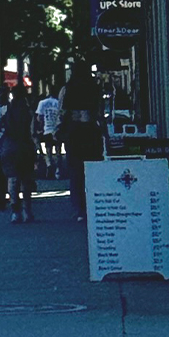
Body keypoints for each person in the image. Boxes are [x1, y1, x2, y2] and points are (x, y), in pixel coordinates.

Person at [59, 63, 105, 220]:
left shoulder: (68, 88)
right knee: (93, 169)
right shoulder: (94, 87)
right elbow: (99, 111)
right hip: (91, 131)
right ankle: (94, 202)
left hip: (74, 132)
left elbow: (62, 111)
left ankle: (79, 208)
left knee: (75, 171)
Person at [0, 83, 38, 222]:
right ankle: (27, 210)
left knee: (12, 179)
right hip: (25, 146)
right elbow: (32, 131)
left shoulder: (6, 109)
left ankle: (15, 210)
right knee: (26, 179)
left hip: (9, 147)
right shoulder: (28, 111)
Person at [36, 88, 63, 179]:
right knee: (58, 150)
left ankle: (49, 166)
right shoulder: (58, 102)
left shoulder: (42, 103)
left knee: (48, 150)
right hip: (57, 129)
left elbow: (40, 117)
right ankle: (59, 169)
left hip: (47, 129)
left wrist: (40, 128)